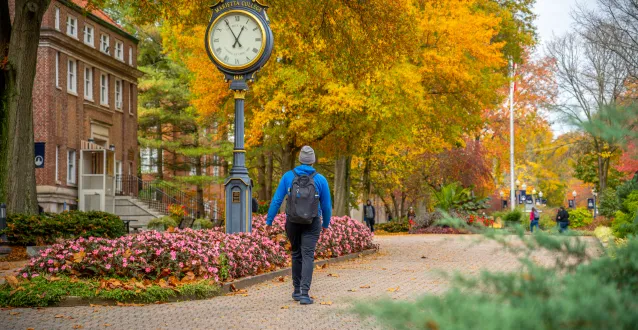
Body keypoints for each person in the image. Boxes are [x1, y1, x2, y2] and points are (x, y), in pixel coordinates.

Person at [266, 146, 332, 305]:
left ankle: (296, 290)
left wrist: (269, 221)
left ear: (300, 159)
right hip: (313, 221)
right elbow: (327, 205)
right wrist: (326, 224)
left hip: (292, 222)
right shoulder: (320, 179)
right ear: (313, 161)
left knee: (296, 254)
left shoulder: (288, 177)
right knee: (308, 255)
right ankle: (304, 294)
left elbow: (277, 200)